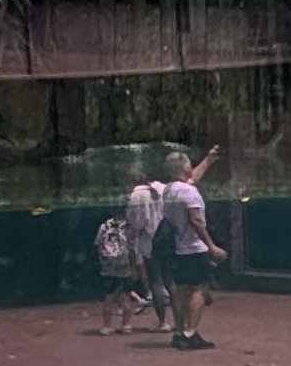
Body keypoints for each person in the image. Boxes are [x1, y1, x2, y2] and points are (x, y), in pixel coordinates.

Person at [155, 147, 227, 350]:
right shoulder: (189, 192)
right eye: (188, 164)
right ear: (183, 167)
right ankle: (190, 333)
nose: (190, 167)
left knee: (180, 290)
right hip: (194, 249)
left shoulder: (170, 190)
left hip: (177, 249)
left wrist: (208, 160)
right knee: (199, 290)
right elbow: (196, 220)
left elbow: (191, 178)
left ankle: (179, 332)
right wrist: (211, 246)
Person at [124, 161, 170, 330]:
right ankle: (183, 323)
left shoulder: (135, 195)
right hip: (169, 241)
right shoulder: (164, 188)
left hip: (150, 244)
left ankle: (163, 322)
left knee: (156, 282)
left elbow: (135, 223)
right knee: (171, 281)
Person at [95, 208, 143, 334]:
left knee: (108, 296)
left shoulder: (104, 226)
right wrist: (135, 266)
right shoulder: (129, 227)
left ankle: (107, 326)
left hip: (108, 267)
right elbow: (133, 248)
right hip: (124, 265)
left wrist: (103, 262)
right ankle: (126, 325)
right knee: (125, 295)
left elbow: (98, 245)